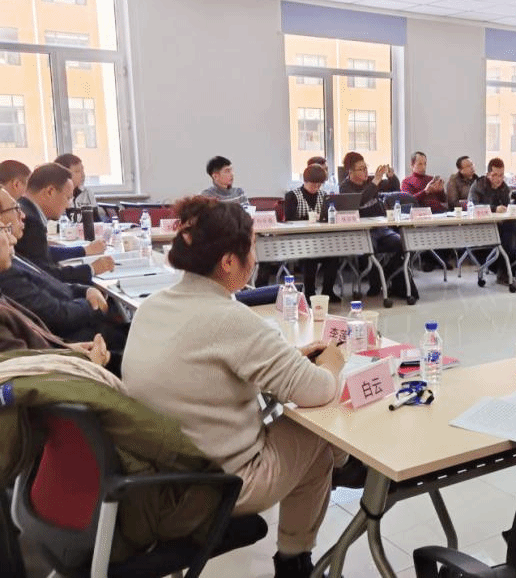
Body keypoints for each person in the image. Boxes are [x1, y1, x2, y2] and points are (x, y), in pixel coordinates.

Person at [121, 197, 352, 578]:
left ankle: (300, 549)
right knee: (318, 436)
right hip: (222, 484)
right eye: (253, 247)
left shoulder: (153, 306)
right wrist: (332, 361)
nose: (255, 259)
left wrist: (286, 360)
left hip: (162, 475)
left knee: (313, 449)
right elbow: (320, 390)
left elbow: (208, 369)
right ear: (229, 261)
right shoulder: (231, 319)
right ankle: (296, 556)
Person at [0, 188, 128, 372]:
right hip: (70, 353)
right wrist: (92, 307)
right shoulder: (6, 273)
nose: (23, 216)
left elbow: (49, 281)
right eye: (4, 230)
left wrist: (86, 290)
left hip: (65, 348)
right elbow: (55, 318)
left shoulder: (13, 257)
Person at [18, 163, 115, 283]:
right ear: (50, 192)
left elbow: (43, 254)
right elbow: (47, 277)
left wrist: (84, 251)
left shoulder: (24, 209)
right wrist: (92, 269)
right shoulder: (30, 221)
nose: (69, 205)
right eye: (68, 198)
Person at [339, 151, 415, 299]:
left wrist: (391, 176)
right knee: (369, 249)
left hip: (381, 228)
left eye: (366, 167)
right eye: (361, 169)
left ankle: (386, 274)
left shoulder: (371, 181)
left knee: (403, 243)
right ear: (350, 171)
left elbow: (394, 187)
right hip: (362, 231)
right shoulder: (345, 187)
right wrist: (375, 182)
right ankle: (375, 283)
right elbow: (360, 200)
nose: (365, 171)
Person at [284, 165, 340, 302]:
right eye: (313, 184)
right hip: (300, 240)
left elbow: (329, 216)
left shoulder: (324, 196)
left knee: (334, 256)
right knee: (310, 257)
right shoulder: (292, 196)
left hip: (322, 239)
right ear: (305, 181)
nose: (316, 187)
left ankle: (328, 291)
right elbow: (290, 219)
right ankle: (309, 292)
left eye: (319, 184)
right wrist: (309, 218)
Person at [468, 157, 516, 285]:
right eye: (494, 175)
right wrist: (494, 209)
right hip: (481, 227)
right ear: (487, 174)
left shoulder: (504, 188)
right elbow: (473, 207)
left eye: (501, 175)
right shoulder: (478, 185)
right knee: (510, 232)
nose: (498, 179)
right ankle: (506, 269)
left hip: (500, 226)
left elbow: (507, 207)